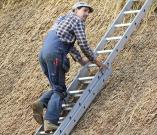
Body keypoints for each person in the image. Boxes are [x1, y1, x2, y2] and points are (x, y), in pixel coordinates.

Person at [31, 2, 107, 133]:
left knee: (56, 88)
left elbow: (68, 43)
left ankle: (41, 103)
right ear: (75, 10)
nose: (87, 14)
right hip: (55, 54)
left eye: (88, 12)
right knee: (60, 91)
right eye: (85, 10)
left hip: (43, 54)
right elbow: (83, 44)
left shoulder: (61, 19)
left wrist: (80, 60)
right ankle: (50, 121)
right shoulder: (77, 21)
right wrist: (96, 61)